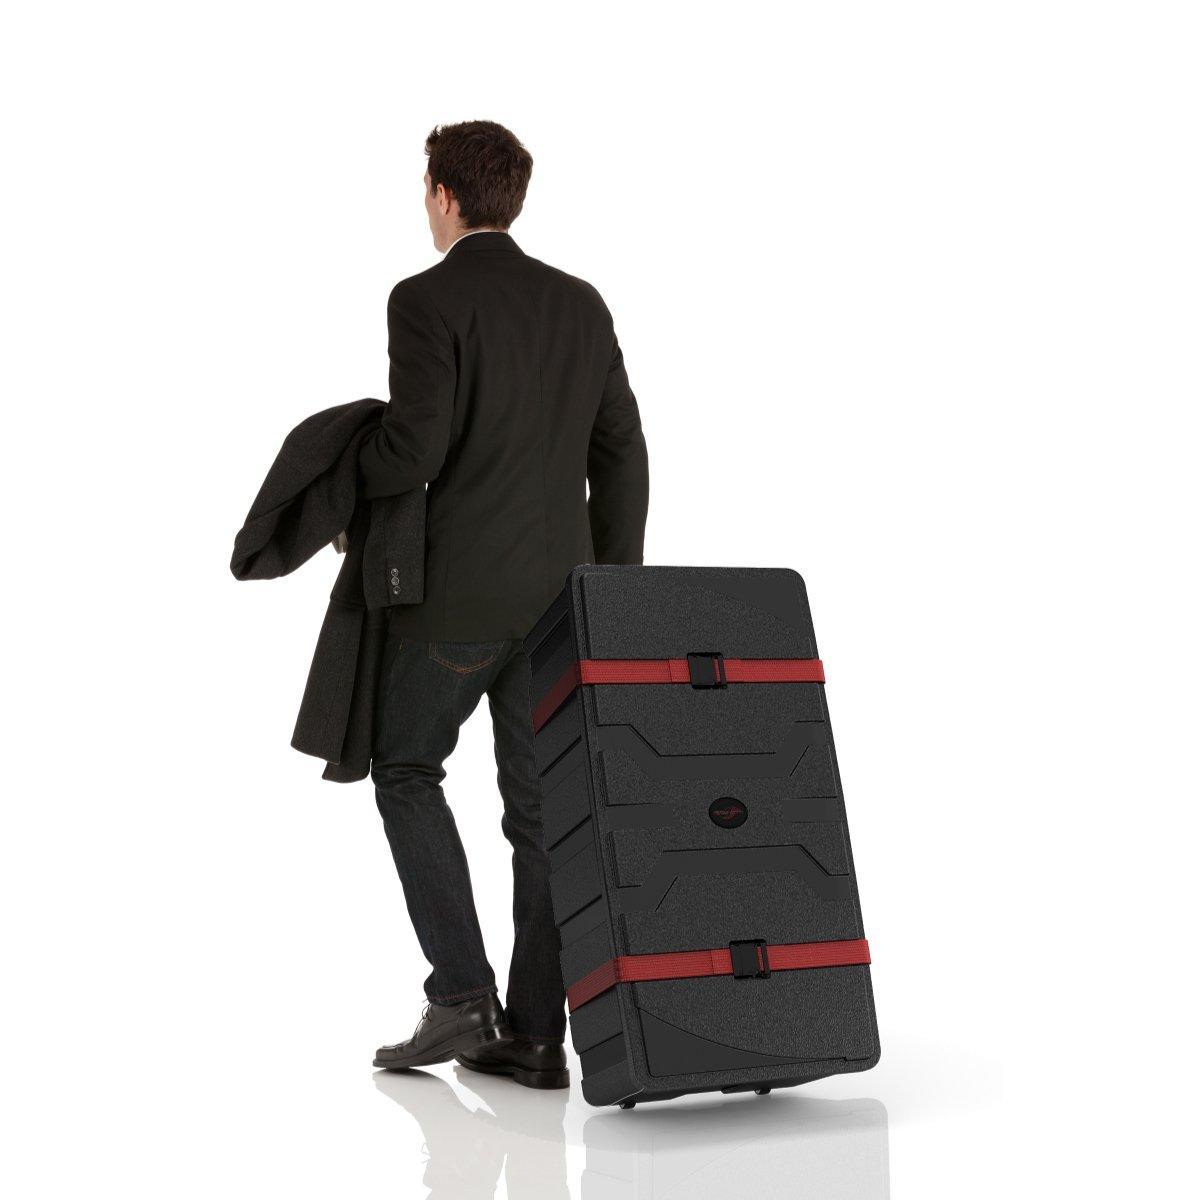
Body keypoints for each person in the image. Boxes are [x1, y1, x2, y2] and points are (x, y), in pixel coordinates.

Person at [365, 121, 649, 1089]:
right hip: (560, 600)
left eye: (425, 189)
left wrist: (348, 459)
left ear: (446, 194)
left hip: (458, 602)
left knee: (404, 765)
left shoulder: (424, 300)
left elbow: (415, 450)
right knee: (539, 811)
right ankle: (532, 1034)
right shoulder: (581, 306)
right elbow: (623, 454)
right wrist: (612, 583)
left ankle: (460, 993)